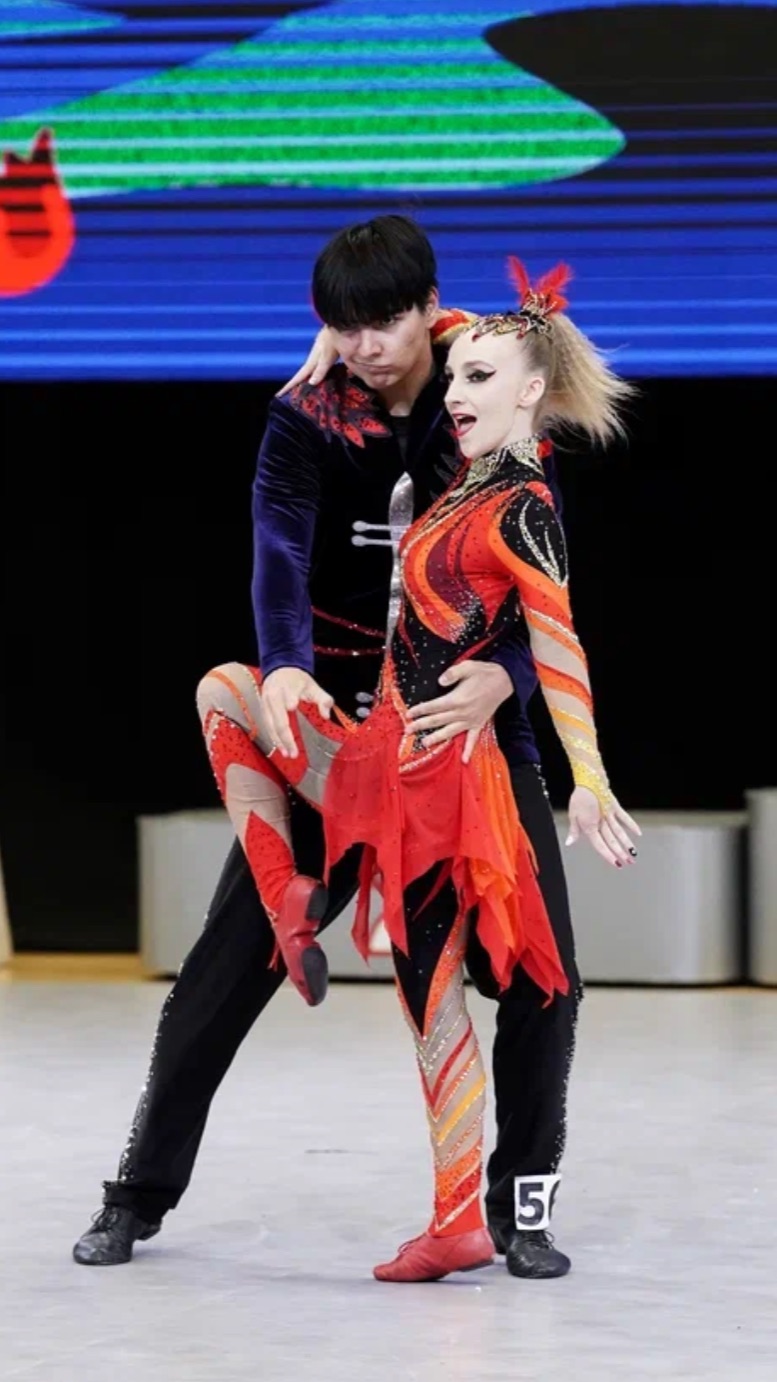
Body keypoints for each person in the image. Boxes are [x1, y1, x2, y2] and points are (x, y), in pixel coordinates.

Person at [73, 217, 632, 1279]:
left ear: (428, 307)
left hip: (468, 730)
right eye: (342, 325)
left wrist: (504, 677)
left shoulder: (489, 387)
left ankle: (521, 1209)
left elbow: (543, 582)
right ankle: (134, 1196)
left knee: (542, 979)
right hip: (334, 724)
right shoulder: (307, 412)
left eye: (383, 322)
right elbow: (277, 547)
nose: (365, 346)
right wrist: (285, 662)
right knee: (222, 971)